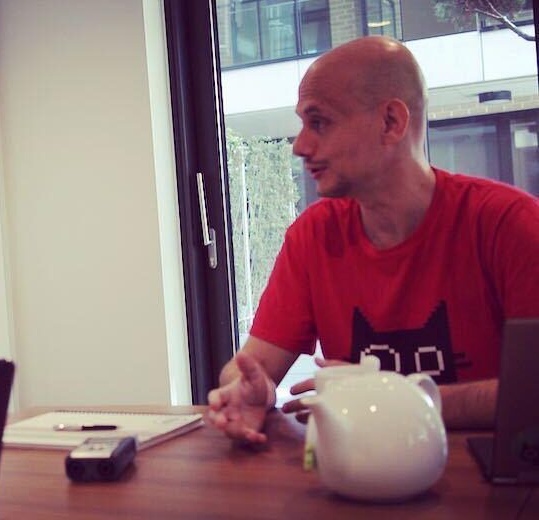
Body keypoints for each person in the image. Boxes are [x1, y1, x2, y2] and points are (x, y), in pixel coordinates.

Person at [206, 36, 539, 445]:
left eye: (319, 122)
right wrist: (245, 391)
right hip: (357, 469)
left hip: (487, 477)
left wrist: (392, 399)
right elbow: (252, 365)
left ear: (390, 123)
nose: (300, 146)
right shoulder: (313, 235)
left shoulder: (510, 223)